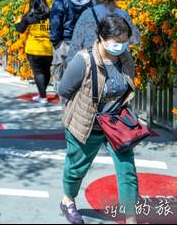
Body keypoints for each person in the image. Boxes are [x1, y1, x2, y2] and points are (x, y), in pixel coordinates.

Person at [57, 15, 140, 224]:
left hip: (115, 124)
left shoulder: (125, 58)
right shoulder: (83, 60)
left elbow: (128, 86)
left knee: (127, 170)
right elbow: (64, 89)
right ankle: (67, 200)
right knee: (76, 167)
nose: (120, 46)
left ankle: (131, 218)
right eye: (116, 41)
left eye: (124, 41)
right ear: (101, 38)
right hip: (87, 122)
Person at [68, 0, 140, 56]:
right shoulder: (123, 14)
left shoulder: (87, 15)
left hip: (93, 61)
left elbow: (76, 44)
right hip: (120, 60)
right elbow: (135, 39)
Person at [49, 0, 92, 84]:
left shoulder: (60, 2)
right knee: (82, 75)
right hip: (84, 43)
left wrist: (54, 41)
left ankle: (64, 100)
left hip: (65, 43)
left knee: (61, 76)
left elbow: (55, 24)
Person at [14, 0, 53, 102]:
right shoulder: (50, 15)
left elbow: (20, 30)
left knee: (38, 72)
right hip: (48, 49)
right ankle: (42, 93)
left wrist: (18, 22)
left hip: (33, 49)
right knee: (46, 71)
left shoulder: (29, 16)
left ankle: (42, 96)